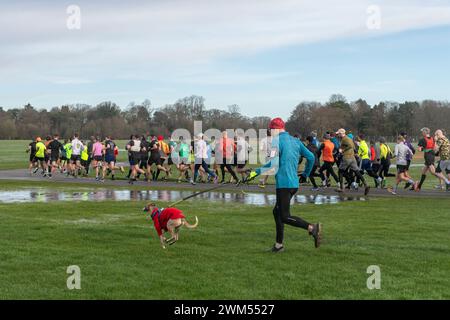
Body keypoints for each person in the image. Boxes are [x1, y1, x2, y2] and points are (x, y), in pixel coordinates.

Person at [247, 117, 321, 253]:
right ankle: (278, 245)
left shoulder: (276, 142)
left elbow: (272, 165)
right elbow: (311, 157)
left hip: (284, 184)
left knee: (285, 216)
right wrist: (305, 175)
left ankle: (312, 228)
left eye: (270, 130)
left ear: (275, 129)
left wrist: (254, 173)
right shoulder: (296, 141)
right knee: (277, 212)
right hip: (293, 184)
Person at [335, 129, 370, 195]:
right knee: (357, 171)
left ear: (341, 133)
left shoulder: (345, 139)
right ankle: (366, 185)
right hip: (352, 158)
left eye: (338, 134)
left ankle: (342, 188)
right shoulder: (349, 139)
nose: (338, 135)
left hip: (346, 157)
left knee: (340, 172)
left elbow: (350, 146)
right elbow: (353, 147)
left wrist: (342, 150)